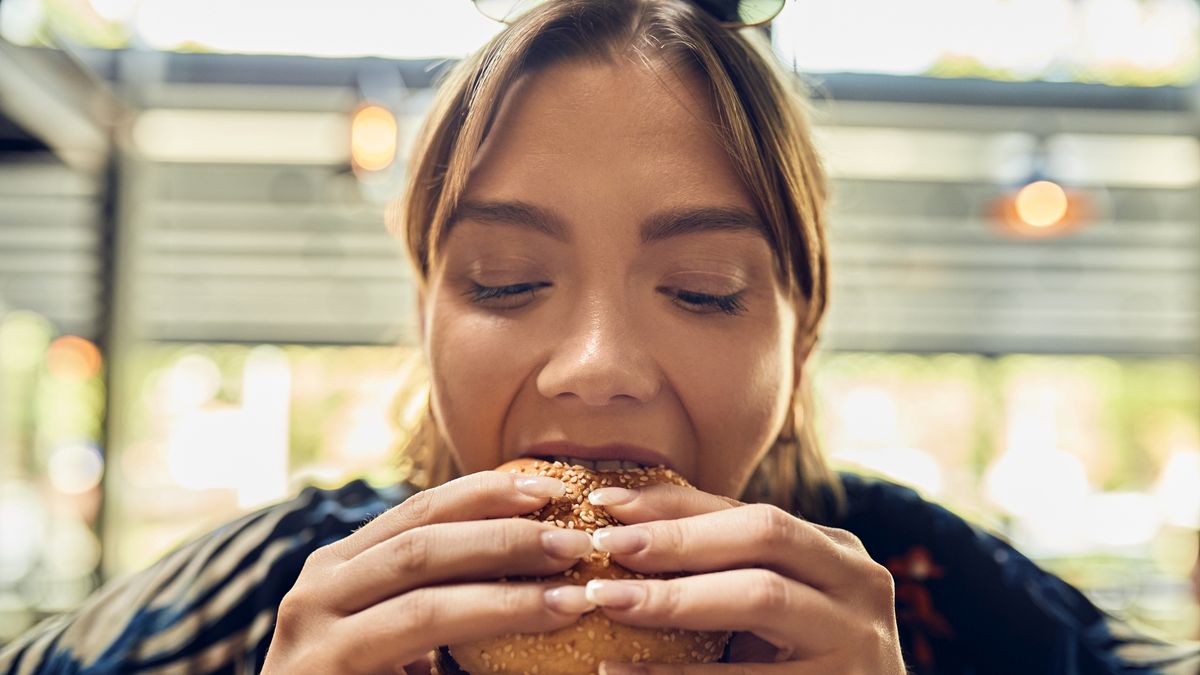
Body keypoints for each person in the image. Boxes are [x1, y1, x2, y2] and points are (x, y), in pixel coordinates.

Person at [3, 1, 1199, 673]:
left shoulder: (927, 592)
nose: (596, 367)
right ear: (428, 313)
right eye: (507, 279)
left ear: (802, 332)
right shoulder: (275, 596)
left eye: (704, 289)